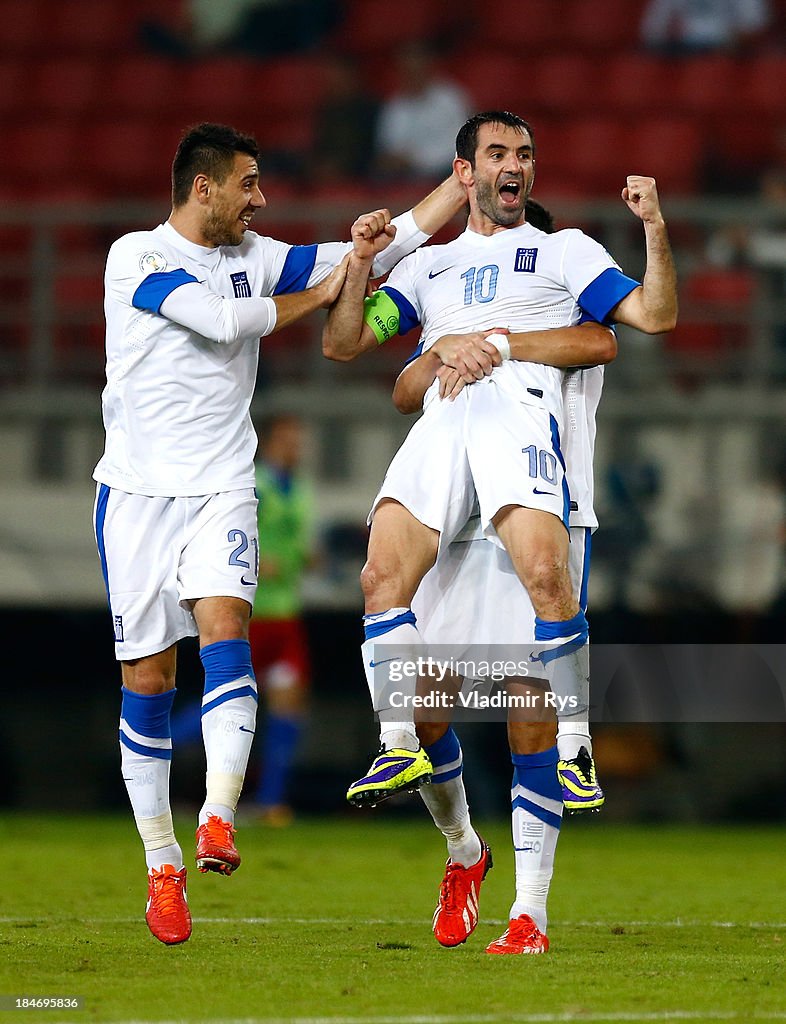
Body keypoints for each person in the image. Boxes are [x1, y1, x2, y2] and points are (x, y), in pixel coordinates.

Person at [91, 121, 466, 946]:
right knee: (149, 682)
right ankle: (162, 867)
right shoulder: (138, 257)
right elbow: (225, 325)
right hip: (135, 497)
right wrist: (325, 291)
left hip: (222, 487)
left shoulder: (255, 253)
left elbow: (384, 244)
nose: (260, 200)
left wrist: (456, 189)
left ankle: (220, 817)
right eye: (248, 184)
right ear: (204, 187)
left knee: (227, 634)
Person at [322, 111, 676, 823]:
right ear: (465, 173)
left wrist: (655, 231)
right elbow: (349, 344)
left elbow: (648, 319)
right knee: (379, 576)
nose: (515, 164)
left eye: (525, 154)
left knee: (545, 590)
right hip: (446, 420)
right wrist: (364, 269)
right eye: (498, 152)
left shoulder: (564, 252)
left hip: (517, 418)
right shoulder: (427, 268)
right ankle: (396, 744)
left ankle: (574, 749)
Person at [393, 199, 612, 954]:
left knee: (531, 715)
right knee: (423, 711)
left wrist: (504, 338)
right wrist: (449, 349)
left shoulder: (569, 324)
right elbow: (401, 387)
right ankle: (463, 852)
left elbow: (606, 335)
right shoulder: (468, 331)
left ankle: (531, 913)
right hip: (466, 509)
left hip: (550, 507)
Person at [249, 413, 314, 825]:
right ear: (271, 442)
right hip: (253, 615)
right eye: (288, 440)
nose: (295, 448)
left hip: (286, 615)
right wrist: (257, 559)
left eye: (298, 441)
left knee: (289, 707)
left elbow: (295, 542)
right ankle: (157, 744)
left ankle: (271, 801)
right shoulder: (253, 484)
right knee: (231, 705)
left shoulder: (300, 488)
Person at [373, 41, 472, 182]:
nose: (412, 74)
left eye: (417, 67)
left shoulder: (450, 98)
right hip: (405, 176)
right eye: (407, 69)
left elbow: (460, 144)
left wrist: (417, 160)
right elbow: (389, 148)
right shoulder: (395, 106)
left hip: (445, 173)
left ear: (428, 66)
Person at [640, 0, 771, 55]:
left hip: (729, 54)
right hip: (680, 53)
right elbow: (652, 31)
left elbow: (756, 26)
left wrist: (731, 41)